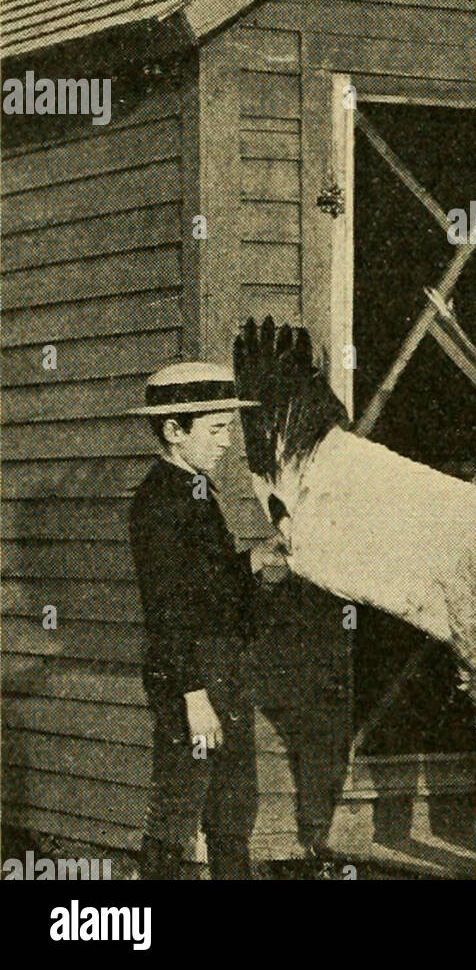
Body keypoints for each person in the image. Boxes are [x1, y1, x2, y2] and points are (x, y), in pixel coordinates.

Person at [127, 362, 289, 880]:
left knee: (233, 805)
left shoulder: (195, 489)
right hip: (190, 673)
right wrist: (193, 695)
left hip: (222, 667)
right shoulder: (159, 502)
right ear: (174, 432)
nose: (226, 443)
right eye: (216, 430)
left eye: (229, 429)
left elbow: (208, 588)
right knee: (179, 802)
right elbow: (166, 609)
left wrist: (258, 561)